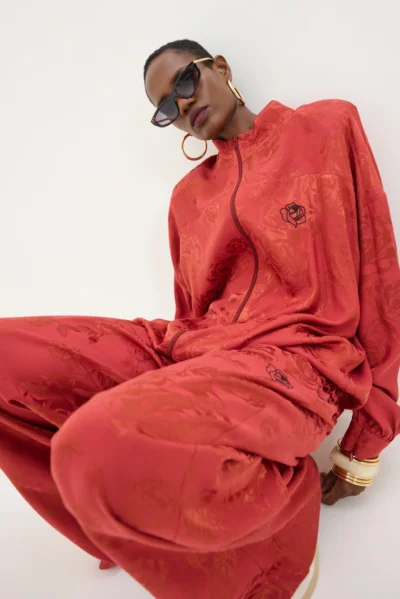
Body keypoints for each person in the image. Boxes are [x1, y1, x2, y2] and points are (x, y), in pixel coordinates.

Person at [1, 38, 399, 599]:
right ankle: (125, 519)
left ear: (221, 68)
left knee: (88, 448)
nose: (182, 105)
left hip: (297, 364)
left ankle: (273, 546)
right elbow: (190, 312)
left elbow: (380, 277)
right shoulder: (187, 198)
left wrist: (366, 442)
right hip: (191, 348)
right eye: (166, 108)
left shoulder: (326, 128)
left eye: (184, 83)